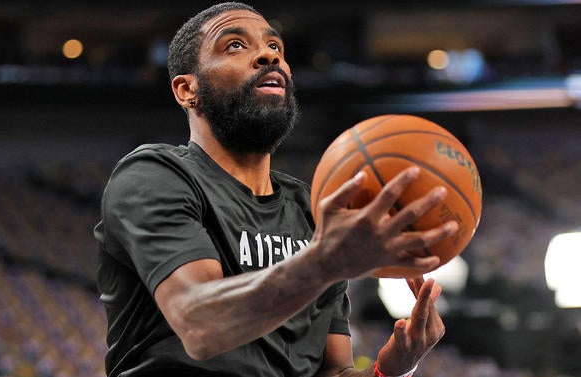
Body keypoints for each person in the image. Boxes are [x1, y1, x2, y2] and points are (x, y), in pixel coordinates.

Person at [94, 2, 458, 376]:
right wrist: (325, 262)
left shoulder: (311, 209)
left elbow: (334, 371)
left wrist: (391, 369)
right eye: (235, 45)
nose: (268, 55)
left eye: (276, 48)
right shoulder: (154, 175)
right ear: (188, 89)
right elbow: (200, 324)